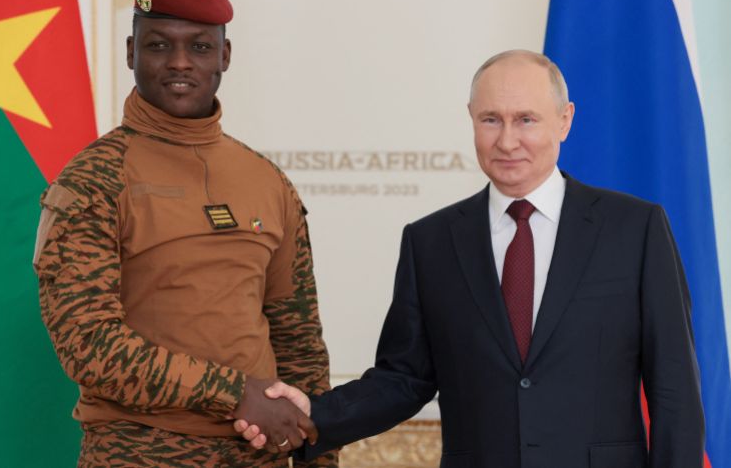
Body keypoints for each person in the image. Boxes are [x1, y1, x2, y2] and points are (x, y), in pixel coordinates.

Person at [236, 50, 705, 467]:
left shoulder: (634, 228)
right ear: (470, 119)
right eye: (490, 120)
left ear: (564, 120)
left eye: (526, 119)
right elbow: (403, 378)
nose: (506, 141)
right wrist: (314, 415)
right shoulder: (431, 241)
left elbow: (675, 390)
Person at [33, 0, 337, 468]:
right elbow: (89, 345)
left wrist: (319, 455)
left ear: (225, 55)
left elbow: (299, 342)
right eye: (158, 46)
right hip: (139, 452)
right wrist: (235, 392)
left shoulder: (267, 181)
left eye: (199, 47)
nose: (179, 63)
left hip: (258, 455)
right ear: (131, 52)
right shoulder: (93, 180)